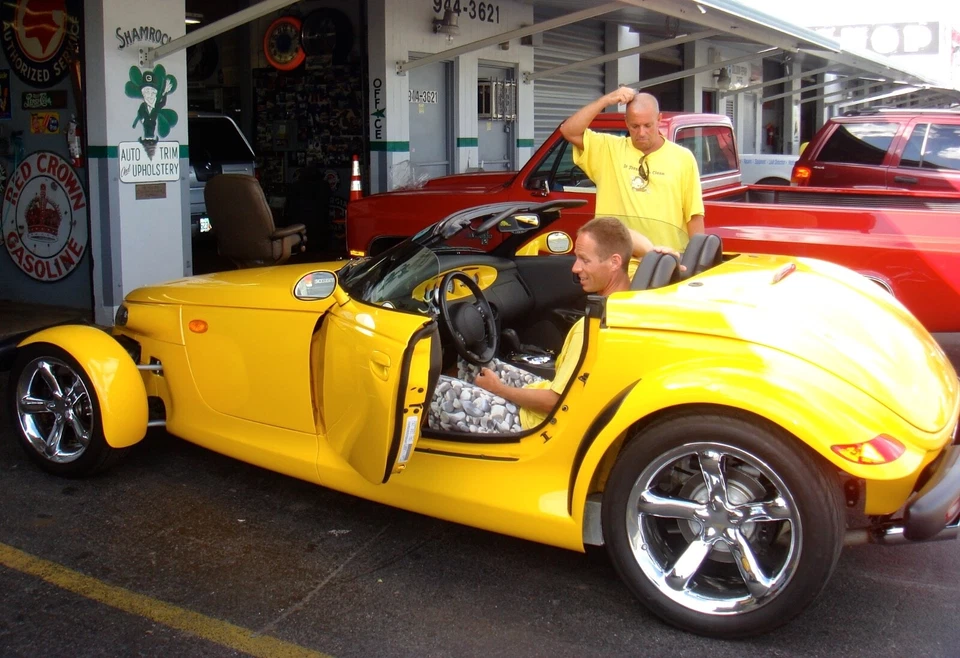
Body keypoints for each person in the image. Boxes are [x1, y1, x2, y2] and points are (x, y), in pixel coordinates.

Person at [428, 217, 635, 435]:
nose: (575, 268)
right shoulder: (631, 300)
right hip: (556, 400)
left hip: (537, 422)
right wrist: (654, 251)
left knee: (432, 389)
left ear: (614, 262)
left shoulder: (591, 328)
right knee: (473, 364)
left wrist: (498, 389)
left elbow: (556, 402)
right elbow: (628, 242)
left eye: (585, 260)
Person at [559, 88, 705, 251]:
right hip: (616, 259)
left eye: (648, 125)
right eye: (635, 126)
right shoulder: (608, 149)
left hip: (665, 258)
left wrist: (697, 260)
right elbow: (569, 131)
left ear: (659, 119)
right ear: (626, 122)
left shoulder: (683, 158)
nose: (641, 133)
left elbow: (694, 215)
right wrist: (606, 100)